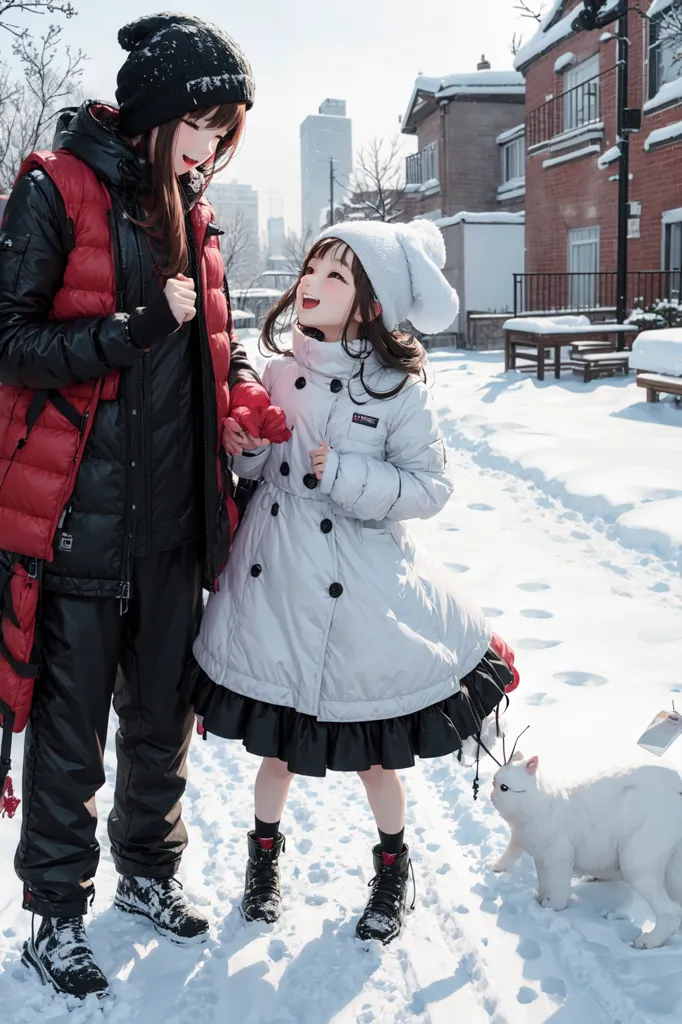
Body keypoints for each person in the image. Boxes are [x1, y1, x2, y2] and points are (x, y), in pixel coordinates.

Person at [0, 13, 286, 1001]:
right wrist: (126, 329)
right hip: (81, 523)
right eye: (202, 126)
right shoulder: (56, 188)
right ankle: (55, 917)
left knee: (161, 722)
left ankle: (149, 877)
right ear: (162, 110)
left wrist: (244, 396)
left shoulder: (197, 213)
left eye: (224, 137)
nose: (210, 149)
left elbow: (214, 342)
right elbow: (12, 344)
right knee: (71, 739)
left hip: (175, 528)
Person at [183, 219, 519, 946]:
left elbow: (430, 488)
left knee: (371, 754)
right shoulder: (276, 371)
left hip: (360, 591)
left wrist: (342, 474)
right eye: (313, 267)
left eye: (336, 275)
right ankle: (263, 863)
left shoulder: (398, 391)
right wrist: (243, 450)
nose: (313, 283)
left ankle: (394, 871)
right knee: (276, 747)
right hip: (274, 583)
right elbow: (260, 470)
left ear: (369, 303)